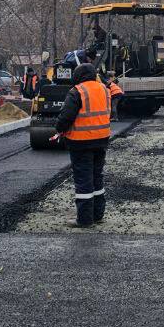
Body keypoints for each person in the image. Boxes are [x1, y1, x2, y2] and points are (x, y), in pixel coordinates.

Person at [48, 63, 111, 228]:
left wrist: (59, 130)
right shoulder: (104, 89)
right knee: (97, 177)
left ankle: (84, 219)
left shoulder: (77, 91)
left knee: (83, 180)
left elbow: (66, 116)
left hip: (81, 142)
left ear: (78, 76)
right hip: (102, 140)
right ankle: (98, 215)